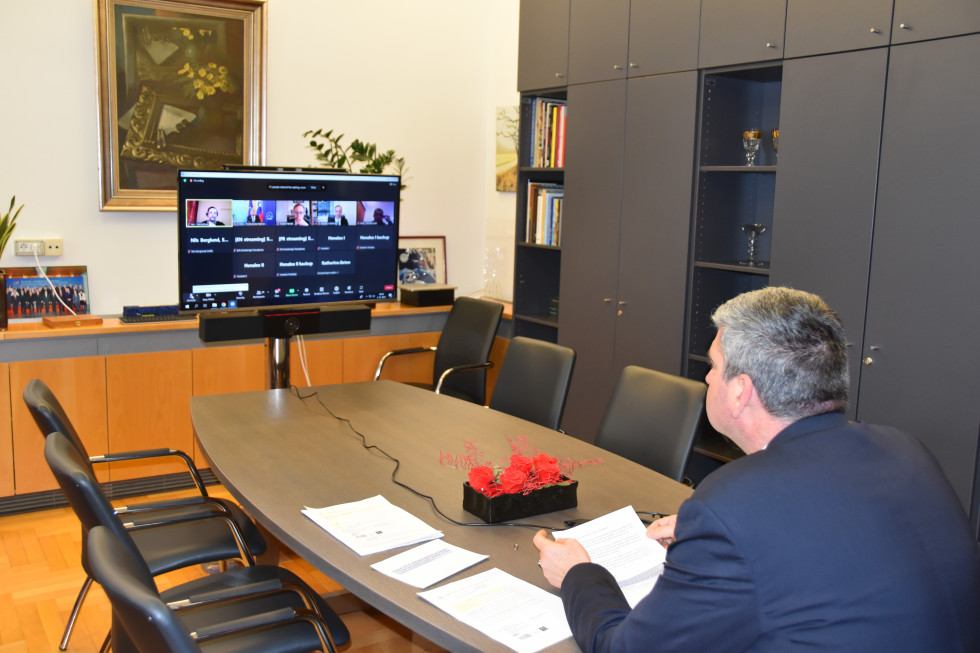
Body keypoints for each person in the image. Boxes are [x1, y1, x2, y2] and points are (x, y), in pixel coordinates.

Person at [534, 286, 980, 652]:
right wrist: (712, 543)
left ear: (740, 392)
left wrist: (579, 574)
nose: (707, 378)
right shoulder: (905, 449)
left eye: (714, 366)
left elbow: (626, 649)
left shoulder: (735, 503)